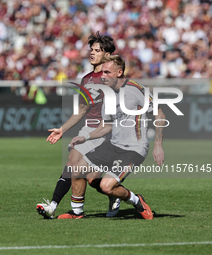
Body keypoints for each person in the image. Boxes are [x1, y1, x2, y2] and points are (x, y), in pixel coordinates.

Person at [57, 55, 165, 220]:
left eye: (107, 72)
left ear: (119, 72)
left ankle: (137, 201)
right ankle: (77, 213)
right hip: (113, 145)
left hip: (134, 149)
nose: (103, 76)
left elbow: (160, 114)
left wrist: (158, 145)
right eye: (102, 72)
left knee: (106, 187)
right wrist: (85, 138)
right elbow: (106, 126)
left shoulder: (136, 89)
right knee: (77, 170)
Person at [36, 31, 121, 219]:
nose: (92, 53)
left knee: (83, 173)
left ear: (107, 54)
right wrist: (62, 129)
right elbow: (81, 110)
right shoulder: (87, 78)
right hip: (88, 129)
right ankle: (57, 206)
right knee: (84, 174)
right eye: (91, 49)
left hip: (105, 130)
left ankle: (66, 208)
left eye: (97, 50)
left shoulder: (113, 77)